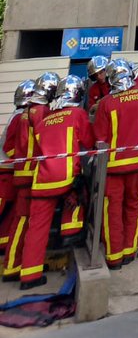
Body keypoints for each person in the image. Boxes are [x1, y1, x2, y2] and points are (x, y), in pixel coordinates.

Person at [19, 75, 94, 290]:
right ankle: (70, 234)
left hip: (41, 180)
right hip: (65, 177)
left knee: (37, 228)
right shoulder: (78, 115)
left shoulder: (45, 120)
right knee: (79, 198)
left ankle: (29, 276)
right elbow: (88, 143)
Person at [93, 59, 138, 269]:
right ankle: (130, 251)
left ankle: (114, 256)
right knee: (134, 206)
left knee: (112, 211)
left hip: (113, 167)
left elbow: (100, 138)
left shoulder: (107, 103)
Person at [3, 72, 58, 282]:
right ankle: (14, 265)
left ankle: (16, 263)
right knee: (23, 220)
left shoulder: (25, 112)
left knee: (22, 220)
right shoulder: (40, 112)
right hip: (31, 173)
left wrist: (19, 160)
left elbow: (12, 146)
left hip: (23, 172)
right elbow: (45, 142)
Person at [0, 82, 33, 251]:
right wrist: (23, 159)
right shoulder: (20, 116)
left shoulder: (19, 114)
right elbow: (9, 146)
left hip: (11, 170)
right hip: (5, 172)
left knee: (10, 214)